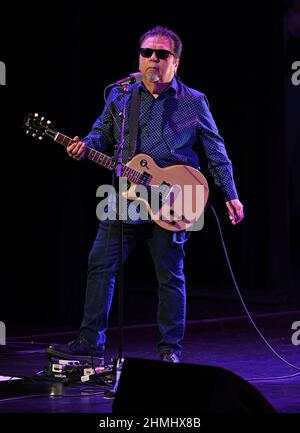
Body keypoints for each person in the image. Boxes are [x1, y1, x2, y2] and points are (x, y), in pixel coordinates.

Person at [46, 26, 244, 364]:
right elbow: (99, 135)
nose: (153, 59)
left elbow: (215, 150)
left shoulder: (193, 102)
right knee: (99, 264)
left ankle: (169, 351)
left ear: (176, 62)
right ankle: (90, 342)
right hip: (124, 195)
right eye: (147, 52)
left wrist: (231, 193)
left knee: (169, 275)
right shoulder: (121, 96)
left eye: (162, 54)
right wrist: (83, 147)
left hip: (174, 197)